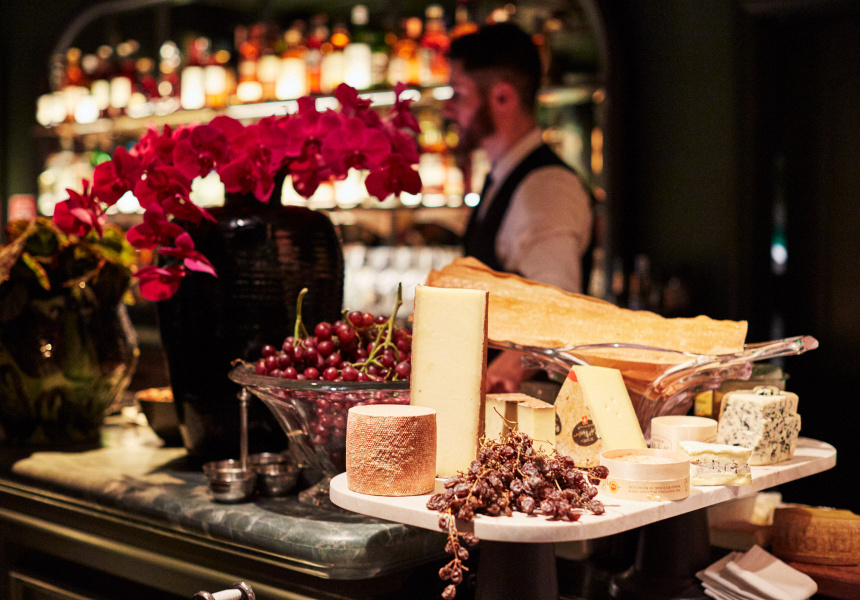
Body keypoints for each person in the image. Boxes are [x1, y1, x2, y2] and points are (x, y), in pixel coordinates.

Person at [444, 22, 594, 393]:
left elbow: (557, 310)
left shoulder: (547, 187)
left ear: (502, 97)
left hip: (527, 408)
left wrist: (496, 377)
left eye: (458, 94)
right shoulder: (502, 176)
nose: (448, 109)